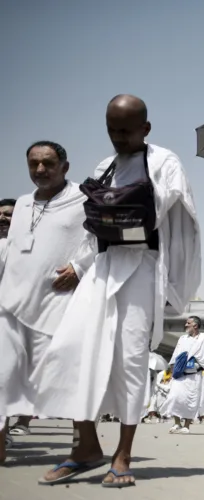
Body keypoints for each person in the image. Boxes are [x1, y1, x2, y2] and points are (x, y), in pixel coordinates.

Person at [33, 94, 202, 487]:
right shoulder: (104, 167)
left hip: (141, 269)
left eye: (125, 131)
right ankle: (85, 447)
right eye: (112, 130)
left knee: (128, 363)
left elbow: (166, 215)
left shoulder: (164, 163)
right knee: (71, 352)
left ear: (145, 128)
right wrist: (78, 264)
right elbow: (94, 229)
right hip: (103, 268)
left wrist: (118, 204)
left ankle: (122, 456)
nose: (118, 138)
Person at [0, 142, 91, 465]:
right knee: (3, 375)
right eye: (34, 164)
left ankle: (86, 445)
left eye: (48, 163)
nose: (40, 170)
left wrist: (80, 268)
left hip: (57, 305)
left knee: (65, 376)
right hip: (10, 304)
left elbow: (101, 237)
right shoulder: (22, 204)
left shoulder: (85, 197)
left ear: (65, 167)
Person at [160, 316, 204, 434]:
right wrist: (173, 367)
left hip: (194, 375)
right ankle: (176, 423)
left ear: (195, 325)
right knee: (174, 396)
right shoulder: (182, 338)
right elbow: (176, 353)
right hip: (180, 373)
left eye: (188, 323)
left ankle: (186, 425)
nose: (185, 325)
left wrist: (195, 365)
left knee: (191, 399)